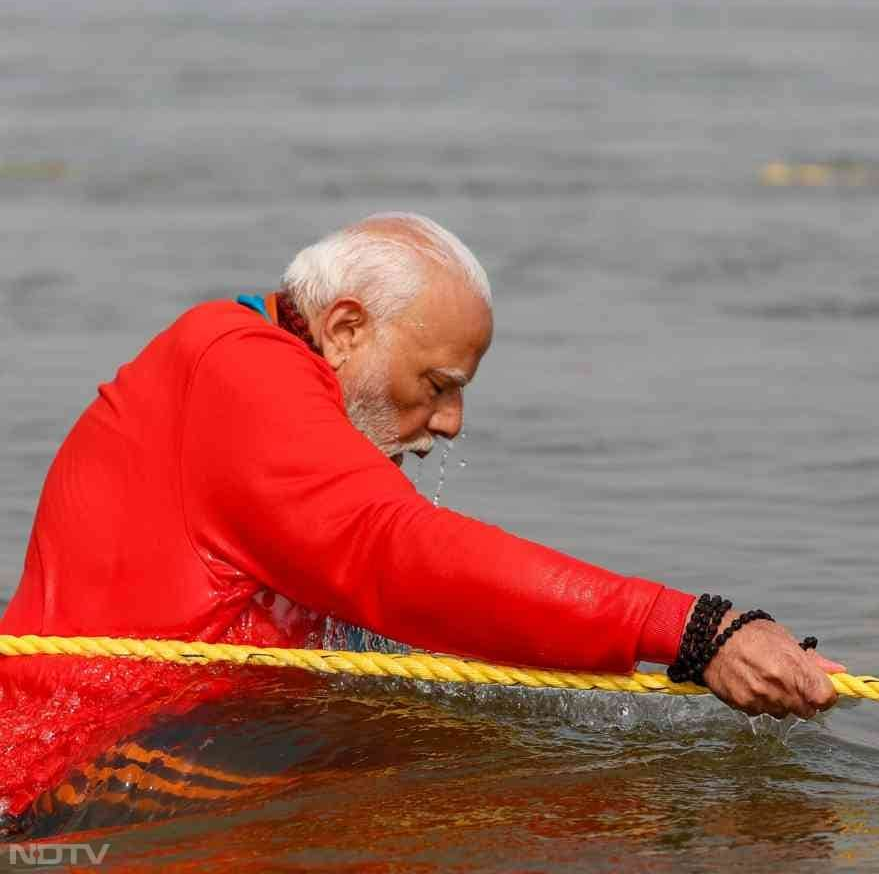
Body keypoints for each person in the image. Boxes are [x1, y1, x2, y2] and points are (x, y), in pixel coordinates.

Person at [0, 212, 842, 820]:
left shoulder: (252, 364)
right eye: (437, 387)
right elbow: (394, 553)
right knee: (481, 803)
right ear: (343, 329)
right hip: (79, 783)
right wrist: (695, 630)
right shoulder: (235, 372)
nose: (449, 423)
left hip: (154, 747)